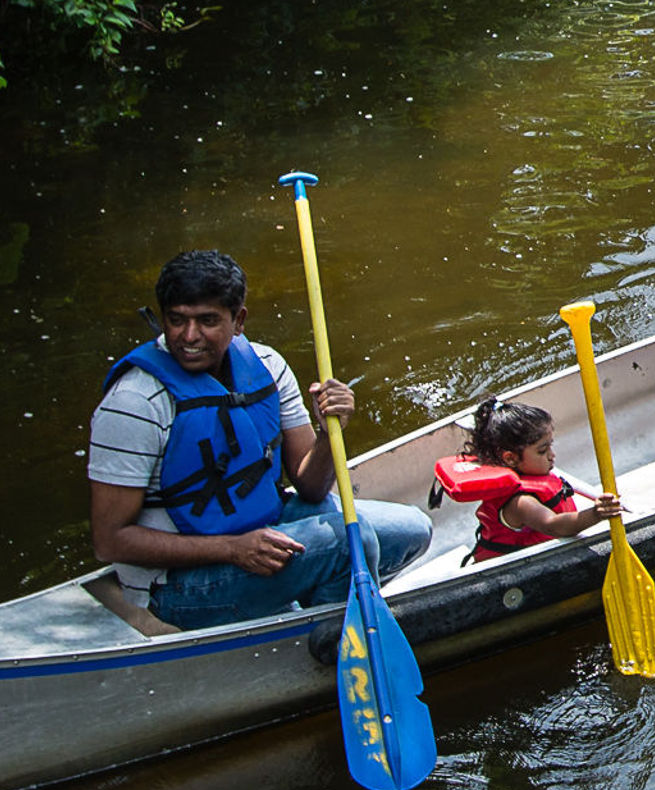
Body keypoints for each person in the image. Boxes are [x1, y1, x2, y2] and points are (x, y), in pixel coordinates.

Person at [86, 247, 433, 628]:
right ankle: (322, 640)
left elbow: (312, 487)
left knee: (411, 530)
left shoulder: (266, 365)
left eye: (207, 321)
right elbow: (110, 541)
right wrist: (232, 549)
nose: (189, 336)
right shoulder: (134, 402)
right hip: (174, 585)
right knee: (348, 546)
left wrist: (327, 433)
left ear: (239, 321)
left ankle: (303, 610)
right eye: (176, 320)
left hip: (258, 528)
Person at [432, 396, 628, 562]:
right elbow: (555, 525)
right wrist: (595, 514)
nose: (552, 455)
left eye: (550, 446)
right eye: (543, 451)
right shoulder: (521, 502)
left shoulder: (528, 471)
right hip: (511, 573)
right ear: (510, 458)